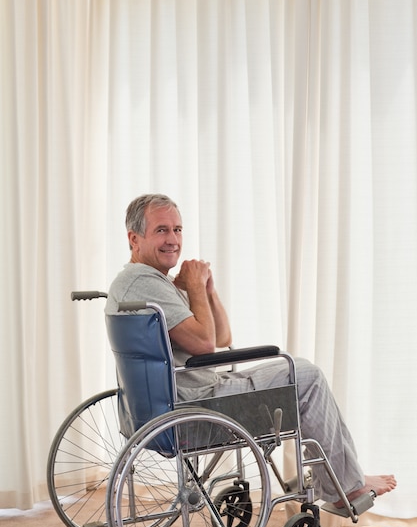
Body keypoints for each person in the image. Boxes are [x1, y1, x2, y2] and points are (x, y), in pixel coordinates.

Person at [105, 193, 397, 505]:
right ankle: (346, 485)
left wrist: (206, 289)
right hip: (198, 406)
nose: (173, 239)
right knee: (306, 375)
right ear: (134, 239)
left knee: (298, 371)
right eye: (162, 230)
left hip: (171, 402)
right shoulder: (147, 284)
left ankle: (343, 474)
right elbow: (205, 345)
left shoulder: (140, 283)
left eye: (178, 229)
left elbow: (222, 336)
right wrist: (191, 286)